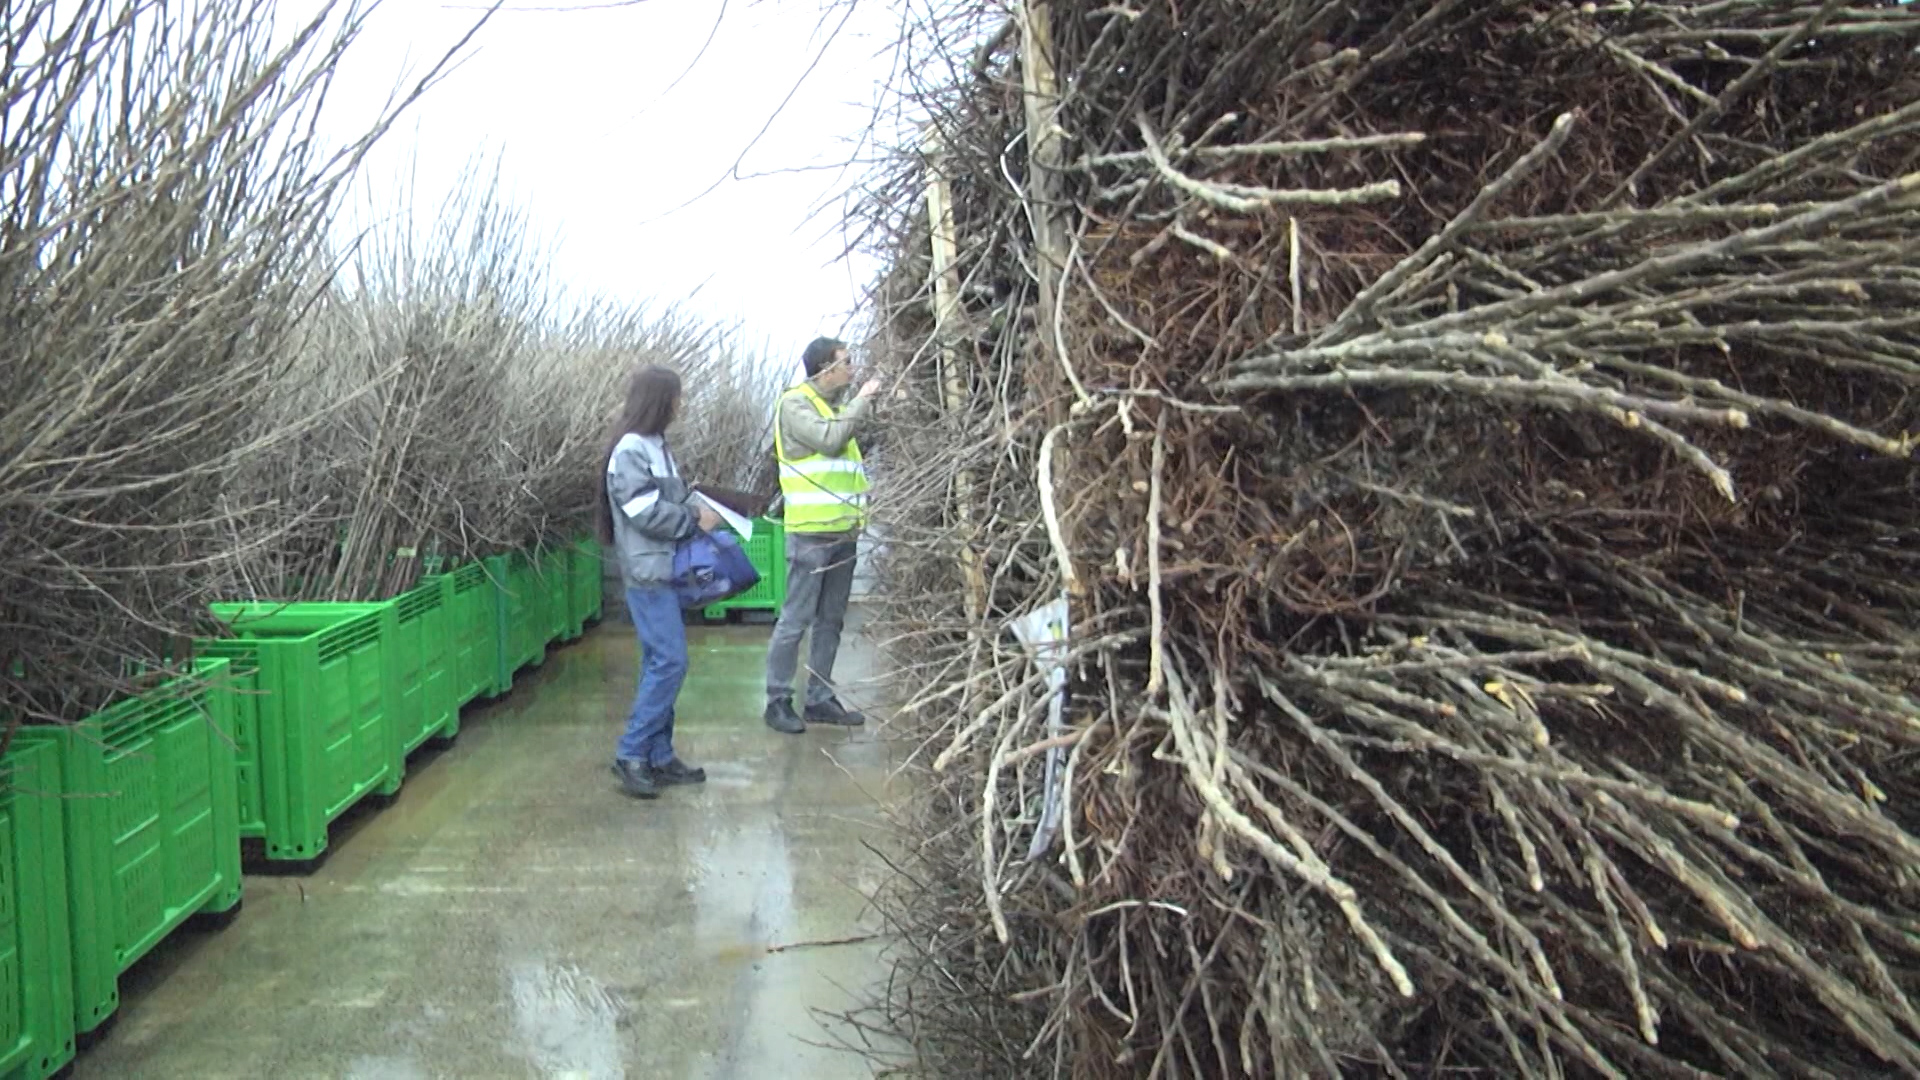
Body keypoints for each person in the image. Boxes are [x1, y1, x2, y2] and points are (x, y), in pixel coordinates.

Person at [598, 364, 723, 799]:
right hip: (649, 572)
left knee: (659, 662)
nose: (680, 405)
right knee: (671, 662)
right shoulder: (631, 449)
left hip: (665, 569)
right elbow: (643, 511)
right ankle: (632, 752)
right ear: (659, 400)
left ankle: (660, 755)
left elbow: (672, 496)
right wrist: (692, 518)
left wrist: (705, 509)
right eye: (677, 397)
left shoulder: (656, 445)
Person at [764, 337, 880, 735]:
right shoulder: (795, 404)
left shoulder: (834, 407)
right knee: (796, 619)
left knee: (831, 619)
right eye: (846, 363)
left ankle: (820, 698)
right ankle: (778, 699)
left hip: (843, 531)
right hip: (811, 534)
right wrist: (863, 400)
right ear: (823, 370)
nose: (852, 369)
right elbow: (830, 441)